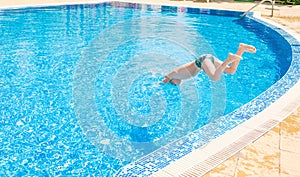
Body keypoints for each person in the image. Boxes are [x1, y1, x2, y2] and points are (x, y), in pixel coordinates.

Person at [162, 43, 256, 85]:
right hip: (205, 59)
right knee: (231, 70)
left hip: (202, 61)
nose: (175, 84)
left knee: (215, 77)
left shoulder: (171, 75)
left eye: (173, 84)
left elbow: (163, 81)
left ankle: (228, 59)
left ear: (172, 80)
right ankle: (241, 49)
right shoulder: (181, 76)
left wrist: (161, 83)